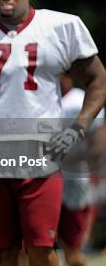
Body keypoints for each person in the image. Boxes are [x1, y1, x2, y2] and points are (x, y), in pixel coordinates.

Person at [0, 0, 106, 266]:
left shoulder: (61, 26)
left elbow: (97, 80)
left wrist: (76, 128)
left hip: (39, 152)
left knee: (41, 245)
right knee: (2, 250)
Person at [58, 73, 105, 266]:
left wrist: (97, 171)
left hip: (74, 176)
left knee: (73, 246)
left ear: (68, 77)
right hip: (46, 175)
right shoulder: (44, 100)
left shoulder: (77, 101)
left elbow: (97, 140)